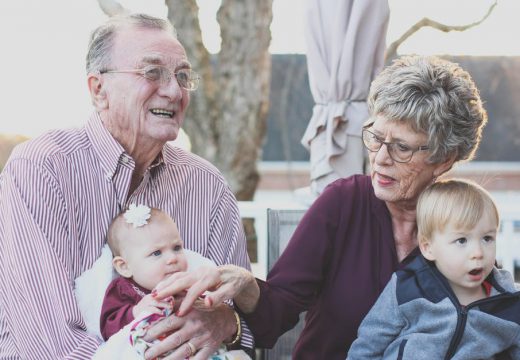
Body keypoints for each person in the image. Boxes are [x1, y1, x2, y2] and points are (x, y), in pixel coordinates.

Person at [151, 55, 490, 359]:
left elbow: (489, 320)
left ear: (443, 159)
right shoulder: (343, 204)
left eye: (402, 148)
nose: (381, 159)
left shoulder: (466, 223)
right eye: (375, 137)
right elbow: (274, 316)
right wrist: (245, 283)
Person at [0, 13, 252, 360]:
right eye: (152, 73)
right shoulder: (42, 169)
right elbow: (48, 343)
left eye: (182, 76)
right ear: (98, 89)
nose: (174, 91)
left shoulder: (207, 185)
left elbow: (243, 325)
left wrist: (226, 322)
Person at [347, 179, 520, 359]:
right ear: (428, 247)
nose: (478, 252)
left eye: (487, 238)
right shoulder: (407, 288)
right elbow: (368, 345)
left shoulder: (510, 303)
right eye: (461, 241)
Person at [100, 205, 188, 341]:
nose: (172, 258)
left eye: (177, 248)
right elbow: (108, 329)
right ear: (124, 267)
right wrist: (135, 312)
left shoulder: (188, 284)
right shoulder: (123, 289)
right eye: (156, 253)